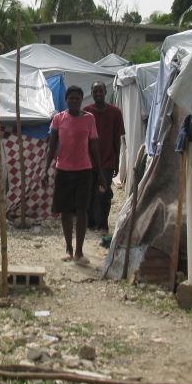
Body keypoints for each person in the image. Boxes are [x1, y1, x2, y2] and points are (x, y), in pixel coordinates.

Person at [42, 85, 107, 266]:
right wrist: (45, 170)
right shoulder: (58, 119)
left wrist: (100, 174)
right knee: (65, 211)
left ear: (81, 100)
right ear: (66, 100)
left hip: (84, 171)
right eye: (71, 98)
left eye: (77, 98)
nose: (74, 101)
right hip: (63, 171)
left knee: (81, 210)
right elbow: (52, 146)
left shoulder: (89, 119)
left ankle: (79, 251)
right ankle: (69, 249)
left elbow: (94, 147)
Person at [84, 80, 125, 234]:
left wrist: (117, 161)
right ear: (91, 93)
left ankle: (103, 224)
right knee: (90, 192)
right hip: (88, 161)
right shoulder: (86, 112)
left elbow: (117, 139)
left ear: (105, 92)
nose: (98, 94)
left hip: (107, 160)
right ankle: (91, 222)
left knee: (104, 192)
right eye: (95, 91)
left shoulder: (115, 113)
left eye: (100, 90)